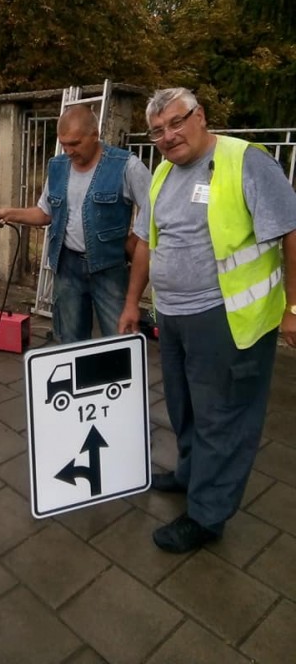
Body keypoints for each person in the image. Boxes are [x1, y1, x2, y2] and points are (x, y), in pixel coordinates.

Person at [118, 87, 296, 554]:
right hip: (173, 317)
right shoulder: (161, 174)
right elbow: (146, 245)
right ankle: (191, 473)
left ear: (201, 116)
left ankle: (207, 516)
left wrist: (294, 308)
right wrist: (133, 302)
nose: (168, 136)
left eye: (176, 123)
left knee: (223, 419)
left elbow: (292, 233)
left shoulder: (246, 161)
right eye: (157, 131)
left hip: (227, 320)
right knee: (185, 407)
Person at [0, 103, 151, 342]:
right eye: (63, 143)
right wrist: (9, 213)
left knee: (120, 340)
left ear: (95, 135)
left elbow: (154, 213)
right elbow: (45, 213)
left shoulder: (126, 165)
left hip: (109, 268)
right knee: (70, 340)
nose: (68, 151)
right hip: (67, 266)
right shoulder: (57, 167)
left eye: (75, 143)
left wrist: (134, 241)